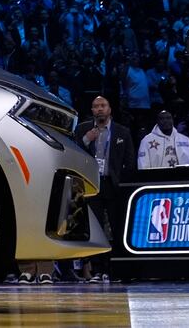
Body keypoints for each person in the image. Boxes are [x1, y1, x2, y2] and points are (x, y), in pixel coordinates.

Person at [74, 94, 134, 283]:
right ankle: (97, 270)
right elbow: (72, 153)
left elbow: (130, 161)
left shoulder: (122, 132)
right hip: (92, 184)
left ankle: (115, 269)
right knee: (96, 228)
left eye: (103, 105)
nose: (99, 109)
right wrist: (85, 140)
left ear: (109, 109)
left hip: (113, 184)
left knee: (117, 227)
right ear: (92, 110)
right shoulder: (83, 129)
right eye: (96, 106)